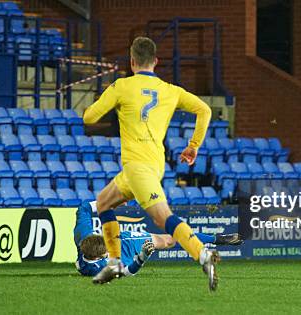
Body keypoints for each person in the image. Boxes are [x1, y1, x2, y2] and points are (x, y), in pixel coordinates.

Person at [82, 36, 220, 290]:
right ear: (156, 61)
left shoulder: (121, 86)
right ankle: (114, 263)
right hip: (151, 166)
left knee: (162, 218)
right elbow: (205, 110)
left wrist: (113, 103)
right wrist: (193, 146)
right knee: (103, 202)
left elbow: (89, 117)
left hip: (138, 167)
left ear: (132, 61)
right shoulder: (171, 90)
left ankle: (203, 254)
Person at [73, 202, 243, 277]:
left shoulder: (83, 235)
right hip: (128, 250)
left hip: (125, 239)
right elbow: (128, 272)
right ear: (99, 257)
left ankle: (217, 239)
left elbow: (83, 208)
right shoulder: (102, 268)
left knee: (171, 239)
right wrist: (142, 257)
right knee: (171, 239)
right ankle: (217, 238)